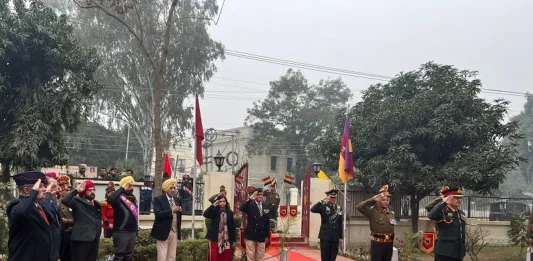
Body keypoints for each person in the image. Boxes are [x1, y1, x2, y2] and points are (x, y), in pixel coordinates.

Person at [7, 171, 53, 261]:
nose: (45, 189)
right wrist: (33, 192)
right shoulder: (16, 205)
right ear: (27, 190)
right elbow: (20, 213)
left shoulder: (39, 206)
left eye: (44, 186)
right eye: (40, 186)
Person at [62, 180, 102, 261]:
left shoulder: (97, 204)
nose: (92, 192)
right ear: (84, 191)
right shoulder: (77, 201)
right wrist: (76, 190)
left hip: (94, 240)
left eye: (94, 190)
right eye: (90, 190)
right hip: (81, 240)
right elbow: (65, 200)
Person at [356, 185, 396, 261]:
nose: (386, 202)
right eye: (383, 200)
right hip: (378, 244)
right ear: (378, 200)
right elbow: (359, 207)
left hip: (389, 243)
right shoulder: (373, 211)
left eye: (387, 200)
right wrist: (372, 200)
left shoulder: (391, 212)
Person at [428, 188, 466, 261]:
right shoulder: (442, 211)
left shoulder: (461, 213)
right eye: (455, 197)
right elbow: (431, 215)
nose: (459, 200)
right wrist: (443, 202)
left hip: (458, 252)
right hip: (444, 252)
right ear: (448, 198)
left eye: (460, 198)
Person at [151, 178, 183, 261]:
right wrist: (172, 210)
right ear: (166, 189)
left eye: (174, 188)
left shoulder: (177, 200)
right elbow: (158, 214)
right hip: (162, 231)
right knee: (162, 255)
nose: (173, 190)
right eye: (170, 188)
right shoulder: (158, 199)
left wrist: (179, 231)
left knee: (172, 256)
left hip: (175, 232)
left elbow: (179, 217)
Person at [108, 176, 139, 261]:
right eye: (129, 186)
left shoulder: (132, 198)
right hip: (121, 231)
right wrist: (122, 188)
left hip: (132, 231)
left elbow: (134, 215)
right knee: (119, 257)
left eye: (132, 185)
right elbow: (110, 200)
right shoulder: (118, 197)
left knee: (128, 256)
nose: (132, 188)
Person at [311, 189, 343, 261]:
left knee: (333, 257)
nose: (333, 199)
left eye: (334, 197)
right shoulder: (323, 206)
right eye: (331, 197)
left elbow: (340, 222)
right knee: (325, 257)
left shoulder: (339, 208)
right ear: (328, 197)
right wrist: (321, 201)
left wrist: (340, 237)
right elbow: (312, 209)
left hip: (335, 237)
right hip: (325, 236)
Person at [239, 188, 270, 261]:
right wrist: (250, 199)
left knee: (260, 256)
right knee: (251, 257)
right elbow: (241, 208)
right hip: (251, 234)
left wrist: (266, 235)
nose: (260, 196)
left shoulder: (266, 206)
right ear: (255, 195)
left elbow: (267, 221)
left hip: (261, 234)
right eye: (258, 194)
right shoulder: (250, 205)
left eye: (261, 195)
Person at [203, 195, 236, 261]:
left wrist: (233, 240)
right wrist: (213, 205)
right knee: (214, 257)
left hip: (227, 239)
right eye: (220, 201)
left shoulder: (230, 213)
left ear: (226, 202)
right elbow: (205, 214)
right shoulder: (214, 211)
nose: (222, 203)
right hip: (215, 238)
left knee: (226, 257)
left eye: (224, 201)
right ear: (218, 202)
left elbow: (232, 226)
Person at [42, 173, 63, 261]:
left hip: (55, 249)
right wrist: (48, 194)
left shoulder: (52, 199)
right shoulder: (42, 201)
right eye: (52, 185)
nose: (56, 188)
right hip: (46, 250)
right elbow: (47, 212)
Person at [57, 175, 74, 261]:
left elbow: (80, 218)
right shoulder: (57, 203)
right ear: (60, 192)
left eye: (70, 190)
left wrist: (68, 221)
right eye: (66, 190)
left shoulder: (75, 202)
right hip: (62, 234)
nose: (69, 192)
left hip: (74, 233)